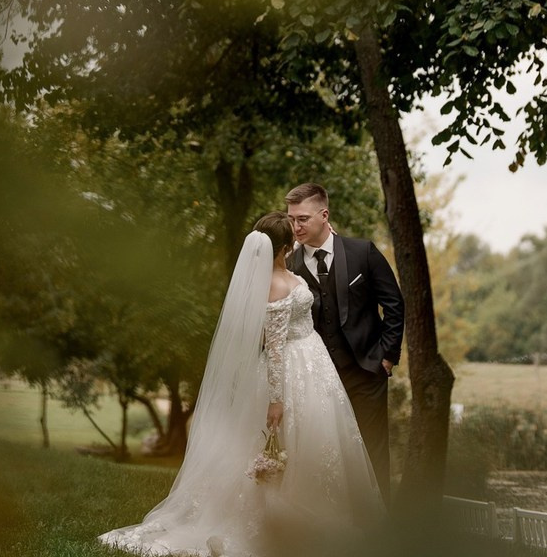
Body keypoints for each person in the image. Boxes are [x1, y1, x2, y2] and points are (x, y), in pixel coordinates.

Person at [98, 212, 381, 557]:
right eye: (292, 236)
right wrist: (276, 400)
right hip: (292, 369)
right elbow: (274, 349)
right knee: (285, 446)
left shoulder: (285, 275)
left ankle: (320, 517)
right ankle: (280, 524)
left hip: (313, 363)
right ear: (284, 246)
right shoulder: (276, 286)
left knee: (320, 442)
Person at [285, 182, 404, 504]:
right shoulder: (289, 265)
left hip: (366, 369)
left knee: (373, 448)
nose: (296, 226)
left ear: (324, 215)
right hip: (317, 376)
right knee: (326, 451)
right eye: (292, 219)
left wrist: (387, 356)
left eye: (303, 219)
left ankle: (379, 528)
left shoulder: (362, 252)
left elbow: (393, 304)